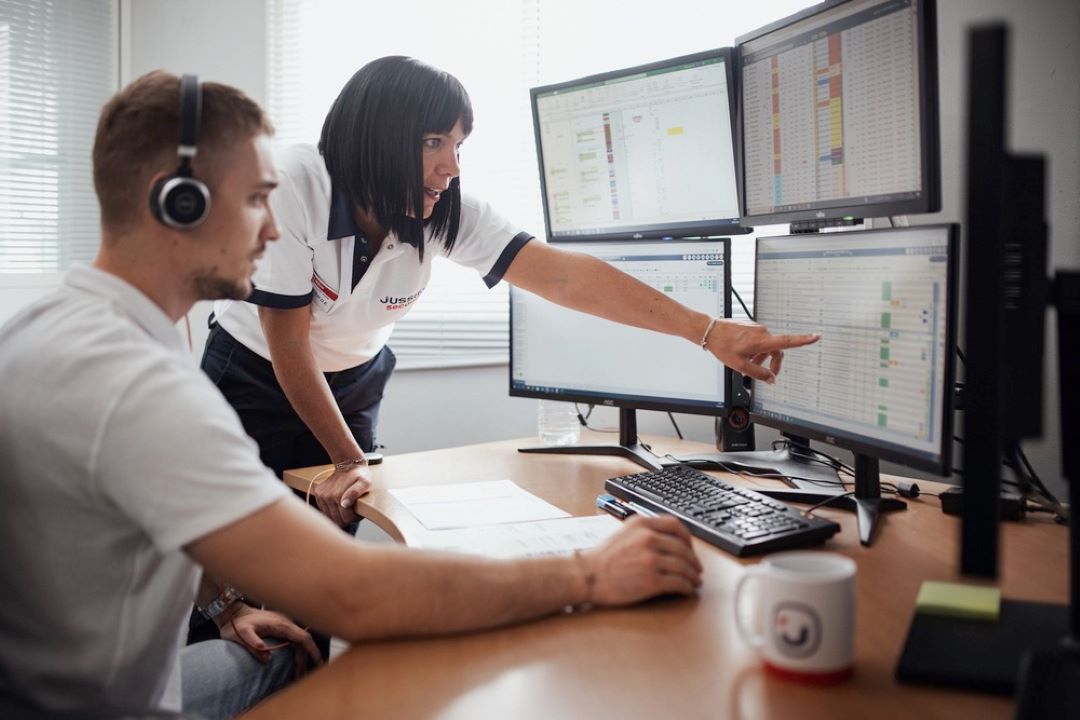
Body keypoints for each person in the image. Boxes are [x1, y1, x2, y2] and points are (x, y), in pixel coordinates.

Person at [0, 71, 703, 720]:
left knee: (290, 631)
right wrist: (589, 573)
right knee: (326, 650)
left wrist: (225, 606)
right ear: (179, 201)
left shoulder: (56, 331)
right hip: (95, 705)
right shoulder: (143, 387)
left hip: (44, 683)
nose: (274, 228)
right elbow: (355, 594)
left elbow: (175, 514)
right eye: (256, 200)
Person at [206, 55, 820, 528]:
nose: (451, 167)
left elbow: (563, 276)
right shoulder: (294, 184)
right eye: (432, 142)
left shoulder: (444, 208)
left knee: (325, 549)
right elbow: (289, 346)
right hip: (256, 373)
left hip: (354, 380)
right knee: (234, 538)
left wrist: (706, 331)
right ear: (376, 138)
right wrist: (348, 458)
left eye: (457, 146)